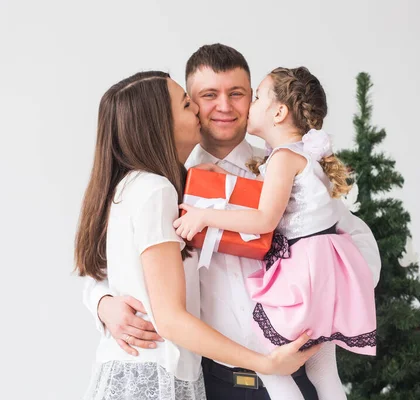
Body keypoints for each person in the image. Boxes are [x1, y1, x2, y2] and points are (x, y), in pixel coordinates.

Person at [84, 44, 381, 400]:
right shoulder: (166, 183)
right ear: (190, 104)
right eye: (208, 95)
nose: (224, 106)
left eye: (239, 94)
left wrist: (320, 290)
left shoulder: (283, 170)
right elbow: (109, 264)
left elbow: (349, 240)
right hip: (210, 380)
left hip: (292, 370)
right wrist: (103, 303)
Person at [175, 66, 377, 398]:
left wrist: (205, 215)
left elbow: (264, 220)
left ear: (279, 112)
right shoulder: (303, 157)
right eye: (209, 95)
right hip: (322, 278)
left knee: (268, 357)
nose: (228, 106)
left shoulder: (282, 160)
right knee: (324, 370)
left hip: (305, 277)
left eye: (248, 96)